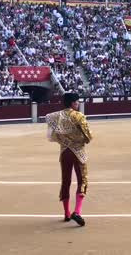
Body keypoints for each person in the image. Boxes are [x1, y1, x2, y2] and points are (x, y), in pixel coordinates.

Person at [45, 92, 93, 227]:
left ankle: (66, 213)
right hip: (78, 152)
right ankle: (77, 212)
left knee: (65, 181)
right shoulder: (79, 116)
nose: (78, 104)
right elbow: (88, 137)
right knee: (82, 180)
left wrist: (64, 141)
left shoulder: (55, 116)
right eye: (77, 102)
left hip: (64, 152)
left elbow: (50, 136)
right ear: (72, 103)